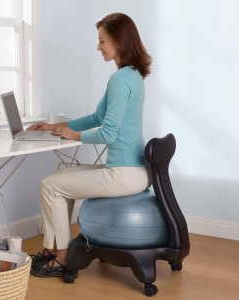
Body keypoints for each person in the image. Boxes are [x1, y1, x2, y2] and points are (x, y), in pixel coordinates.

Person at [27, 12, 152, 278]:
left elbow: (108, 133)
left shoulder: (120, 79)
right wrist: (56, 127)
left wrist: (73, 136)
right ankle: (53, 249)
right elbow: (98, 118)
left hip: (123, 174)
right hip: (134, 170)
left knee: (50, 186)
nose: (98, 47)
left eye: (102, 41)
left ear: (119, 41)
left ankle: (60, 258)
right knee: (60, 177)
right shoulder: (132, 75)